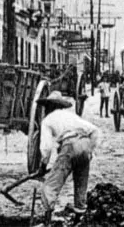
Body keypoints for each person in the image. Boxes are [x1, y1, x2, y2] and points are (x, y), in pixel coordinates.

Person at [37, 91, 100, 226]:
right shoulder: (71, 116)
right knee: (81, 182)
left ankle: (47, 219)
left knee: (52, 184)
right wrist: (90, 151)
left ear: (49, 107)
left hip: (70, 145)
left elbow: (46, 147)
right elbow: (94, 130)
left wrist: (43, 165)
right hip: (86, 143)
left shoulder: (47, 120)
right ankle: (79, 219)